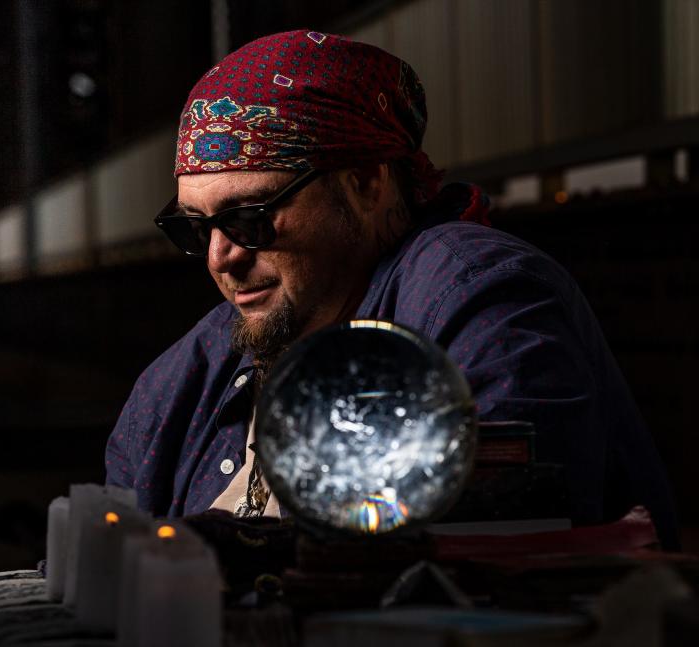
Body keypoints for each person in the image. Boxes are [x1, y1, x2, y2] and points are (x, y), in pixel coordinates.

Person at [104, 31, 678, 548]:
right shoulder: (175, 384)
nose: (220, 256)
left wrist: (219, 552)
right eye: (195, 227)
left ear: (365, 183)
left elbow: (487, 546)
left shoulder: (483, 295)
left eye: (252, 216)